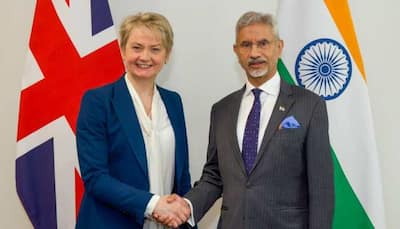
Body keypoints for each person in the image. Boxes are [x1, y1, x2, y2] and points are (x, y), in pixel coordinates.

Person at [156, 11, 334, 229]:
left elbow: (321, 188)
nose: (254, 52)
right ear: (236, 51)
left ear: (279, 47)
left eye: (263, 43)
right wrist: (186, 205)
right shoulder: (221, 110)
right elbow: (214, 176)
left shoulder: (309, 105)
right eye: (246, 45)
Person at [75, 12, 192, 229]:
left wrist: (182, 212)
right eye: (137, 47)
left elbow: (182, 175)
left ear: (167, 55)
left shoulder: (174, 102)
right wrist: (153, 204)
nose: (145, 57)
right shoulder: (97, 101)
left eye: (155, 49)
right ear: (122, 51)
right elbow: (95, 177)